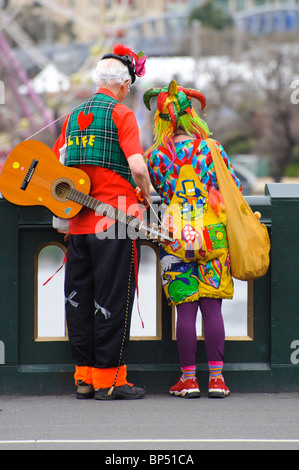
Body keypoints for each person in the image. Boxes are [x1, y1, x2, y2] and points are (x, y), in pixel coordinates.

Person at [52, 44, 152, 400]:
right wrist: (148, 194)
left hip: (77, 223)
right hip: (117, 218)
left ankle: (83, 377)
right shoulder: (122, 114)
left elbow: (54, 169)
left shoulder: (72, 115)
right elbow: (138, 166)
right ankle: (110, 381)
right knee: (113, 299)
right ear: (124, 85)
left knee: (78, 299)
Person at [144, 80, 242, 398]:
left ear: (162, 120)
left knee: (185, 310)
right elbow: (234, 189)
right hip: (212, 237)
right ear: (192, 117)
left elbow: (152, 191)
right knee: (212, 309)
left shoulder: (155, 156)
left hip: (176, 237)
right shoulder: (212, 150)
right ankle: (216, 380)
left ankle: (188, 381)